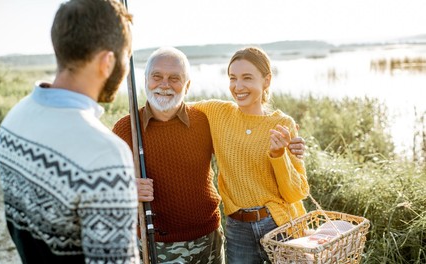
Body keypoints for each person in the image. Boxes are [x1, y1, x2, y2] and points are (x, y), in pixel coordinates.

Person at [112, 47, 306, 263]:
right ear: (146, 79)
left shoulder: (211, 119)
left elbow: (294, 189)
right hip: (181, 241)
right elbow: (101, 185)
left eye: (174, 78)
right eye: (157, 77)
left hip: (236, 234)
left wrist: (284, 153)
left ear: (187, 85)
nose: (165, 85)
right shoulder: (127, 128)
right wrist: (126, 187)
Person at [0, 0, 139, 263]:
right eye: (125, 57)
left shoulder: (13, 120)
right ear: (107, 62)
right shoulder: (105, 153)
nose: (126, 67)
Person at [192, 46, 309, 263]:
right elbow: (174, 108)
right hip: (238, 229)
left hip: (279, 224)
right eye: (232, 78)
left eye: (247, 78)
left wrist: (278, 155)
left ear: (266, 81)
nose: (238, 86)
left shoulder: (282, 124)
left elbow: (295, 192)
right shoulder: (217, 112)